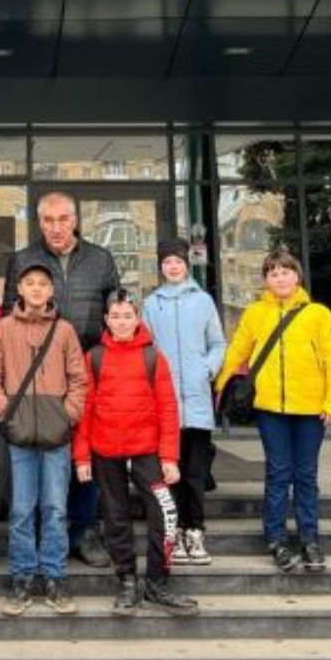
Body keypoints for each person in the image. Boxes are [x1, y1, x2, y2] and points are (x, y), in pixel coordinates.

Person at [1, 192, 118, 568]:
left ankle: (85, 531)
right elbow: (7, 322)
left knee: (86, 456)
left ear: (75, 220)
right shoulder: (23, 260)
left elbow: (114, 316)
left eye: (63, 219)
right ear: (39, 222)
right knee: (40, 460)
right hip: (39, 382)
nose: (56, 227)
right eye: (48, 220)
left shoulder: (101, 259)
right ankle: (42, 536)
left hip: (89, 375)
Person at [216, 251, 331, 574]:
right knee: (277, 473)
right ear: (265, 280)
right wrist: (221, 387)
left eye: (285, 272)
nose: (280, 278)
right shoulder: (254, 313)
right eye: (273, 273)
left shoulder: (318, 314)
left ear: (297, 276)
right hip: (270, 408)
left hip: (311, 409)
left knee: (305, 475)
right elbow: (237, 351)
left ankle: (309, 538)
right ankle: (275, 538)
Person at [76, 290, 198, 615]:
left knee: (165, 513)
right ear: (106, 320)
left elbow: (168, 409)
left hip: (147, 450)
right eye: (115, 316)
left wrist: (169, 457)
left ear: (137, 319)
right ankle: (127, 581)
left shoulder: (154, 357)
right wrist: (82, 457)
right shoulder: (94, 357)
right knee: (115, 517)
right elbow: (84, 411)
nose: (121, 322)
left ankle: (157, 582)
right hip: (106, 450)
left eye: (127, 316)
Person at [0, 260, 88, 617]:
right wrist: (4, 412)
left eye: (43, 283)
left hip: (56, 435)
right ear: (20, 289)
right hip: (19, 435)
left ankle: (55, 577)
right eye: (30, 283)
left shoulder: (65, 331)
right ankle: (22, 578)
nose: (37, 289)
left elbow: (78, 379)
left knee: (56, 510)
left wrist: (67, 415)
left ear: (51, 290)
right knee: (21, 510)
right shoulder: (3, 329)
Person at [142, 237, 228, 566]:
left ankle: (195, 532)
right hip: (164, 405)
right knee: (169, 473)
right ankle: (175, 532)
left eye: (178, 261)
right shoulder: (152, 304)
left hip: (196, 403)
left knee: (195, 472)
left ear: (186, 263)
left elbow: (218, 344)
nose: (173, 266)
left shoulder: (203, 301)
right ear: (160, 267)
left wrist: (206, 369)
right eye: (167, 262)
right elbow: (146, 348)